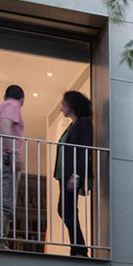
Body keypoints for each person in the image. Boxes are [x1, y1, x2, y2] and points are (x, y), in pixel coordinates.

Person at [0, 84, 25, 248]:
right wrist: (13, 153)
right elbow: (6, 125)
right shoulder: (13, 105)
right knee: (3, 203)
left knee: (2, 201)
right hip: (6, 159)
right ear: (22, 100)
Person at [54, 90, 93, 256]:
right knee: (65, 208)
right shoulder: (72, 126)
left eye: (63, 104)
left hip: (72, 174)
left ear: (72, 104)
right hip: (65, 174)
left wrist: (77, 175)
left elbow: (85, 150)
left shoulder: (84, 123)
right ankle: (78, 247)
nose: (61, 109)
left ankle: (79, 248)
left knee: (66, 208)